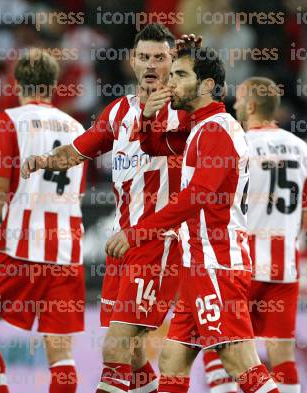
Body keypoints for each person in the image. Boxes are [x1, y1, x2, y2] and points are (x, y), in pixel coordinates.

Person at [21, 24, 199, 393]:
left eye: (161, 58)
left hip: (159, 242)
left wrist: (192, 70)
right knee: (132, 357)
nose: (152, 65)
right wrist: (42, 160)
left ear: (172, 61)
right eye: (145, 57)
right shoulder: (118, 112)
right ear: (132, 62)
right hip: (124, 245)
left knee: (116, 345)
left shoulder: (183, 111)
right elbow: (77, 149)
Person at [106, 47, 280, 393]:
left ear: (207, 84)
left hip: (217, 262)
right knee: (172, 359)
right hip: (197, 263)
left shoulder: (217, 129)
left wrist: (139, 232)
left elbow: (197, 196)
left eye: (181, 75)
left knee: (238, 360)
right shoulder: (201, 128)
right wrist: (146, 119)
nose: (171, 83)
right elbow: (156, 146)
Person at [0, 49, 87, 393]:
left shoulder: (10, 119)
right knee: (61, 353)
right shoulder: (77, 128)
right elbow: (77, 194)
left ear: (15, 83)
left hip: (21, 246)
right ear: (54, 84)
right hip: (67, 250)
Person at [199, 77, 307, 393]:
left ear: (250, 105)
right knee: (283, 356)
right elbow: (302, 210)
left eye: (238, 101)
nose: (234, 106)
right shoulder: (301, 147)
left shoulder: (240, 143)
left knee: (219, 341)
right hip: (284, 266)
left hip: (241, 262)